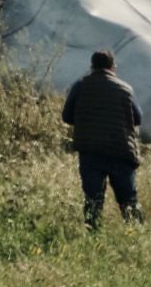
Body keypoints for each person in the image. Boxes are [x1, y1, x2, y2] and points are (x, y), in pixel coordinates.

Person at [61, 49, 143, 228]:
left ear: (92, 66)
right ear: (113, 67)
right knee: (128, 200)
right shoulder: (125, 89)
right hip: (121, 150)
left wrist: (87, 120)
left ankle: (93, 234)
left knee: (93, 200)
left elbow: (66, 116)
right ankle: (137, 234)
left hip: (91, 152)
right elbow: (138, 118)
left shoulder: (80, 86)